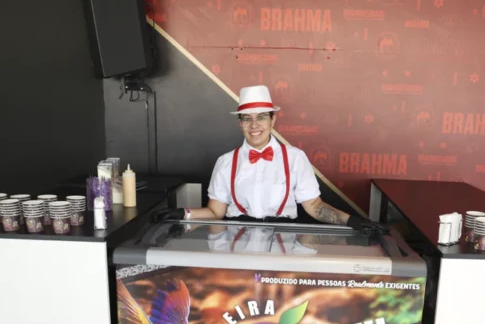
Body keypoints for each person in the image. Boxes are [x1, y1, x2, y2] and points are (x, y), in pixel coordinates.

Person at [151, 85, 384, 235]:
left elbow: (315, 207)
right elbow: (215, 213)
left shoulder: (295, 158)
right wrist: (183, 214)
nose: (254, 125)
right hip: (236, 240)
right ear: (240, 123)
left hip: (285, 239)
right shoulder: (225, 162)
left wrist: (352, 222)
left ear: (273, 120)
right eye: (247, 119)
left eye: (261, 117)